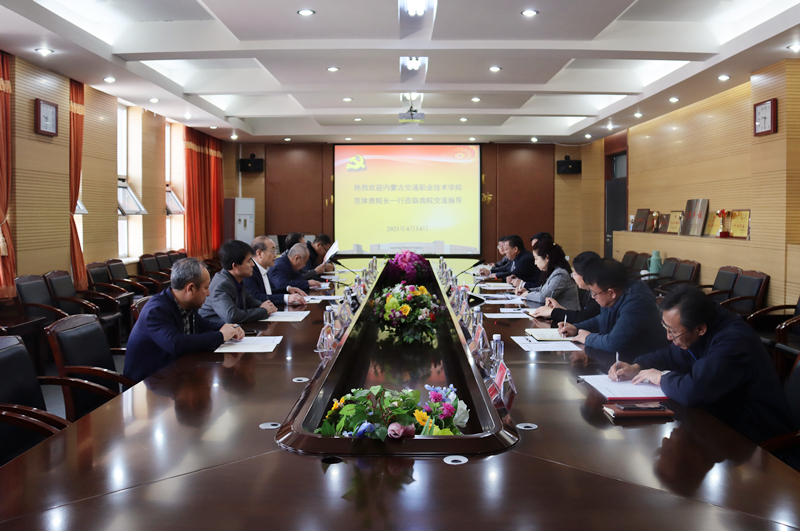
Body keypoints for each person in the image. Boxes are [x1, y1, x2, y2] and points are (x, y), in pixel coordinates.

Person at [609, 287, 799, 463]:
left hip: (759, 441)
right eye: (666, 328)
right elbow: (670, 354)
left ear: (700, 329)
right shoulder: (701, 326)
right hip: (723, 421)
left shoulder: (733, 341)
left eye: (673, 332)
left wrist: (661, 377)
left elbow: (693, 391)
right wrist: (638, 365)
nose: (668, 337)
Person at [123, 258, 244, 383]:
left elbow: (203, 325)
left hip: (175, 374)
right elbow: (175, 343)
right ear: (190, 289)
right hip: (148, 383)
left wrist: (229, 328)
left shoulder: (186, 303)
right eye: (206, 288)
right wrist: (220, 336)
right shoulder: (156, 310)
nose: (208, 293)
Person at [558, 258, 668, 357]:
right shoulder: (616, 293)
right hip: (624, 359)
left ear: (611, 292)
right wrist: (576, 328)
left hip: (645, 362)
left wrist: (587, 338)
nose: (592, 297)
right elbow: (602, 319)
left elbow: (614, 343)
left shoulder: (637, 303)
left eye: (594, 293)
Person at [199, 240, 278, 325]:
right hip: (214, 329)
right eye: (249, 261)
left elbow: (249, 301)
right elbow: (231, 316)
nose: (253, 264)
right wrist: (263, 310)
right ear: (235, 266)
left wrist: (265, 306)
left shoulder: (236, 279)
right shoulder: (222, 284)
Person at [531, 251, 601, 323]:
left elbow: (583, 318)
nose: (573, 277)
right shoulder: (588, 291)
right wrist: (559, 308)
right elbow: (580, 316)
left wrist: (552, 312)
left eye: (575, 274)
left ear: (586, 274)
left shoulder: (599, 293)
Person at [517, 239, 580, 310]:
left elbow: (543, 297)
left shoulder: (560, 275)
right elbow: (542, 289)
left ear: (547, 258)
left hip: (566, 315)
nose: (535, 263)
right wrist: (526, 290)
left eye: (536, 259)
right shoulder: (552, 272)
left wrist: (527, 294)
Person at [245, 236, 307, 305]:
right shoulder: (249, 271)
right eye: (272, 251)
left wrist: (287, 289)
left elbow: (268, 292)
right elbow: (256, 297)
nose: (275, 255)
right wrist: (286, 298)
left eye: (275, 251)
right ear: (259, 253)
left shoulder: (262, 269)